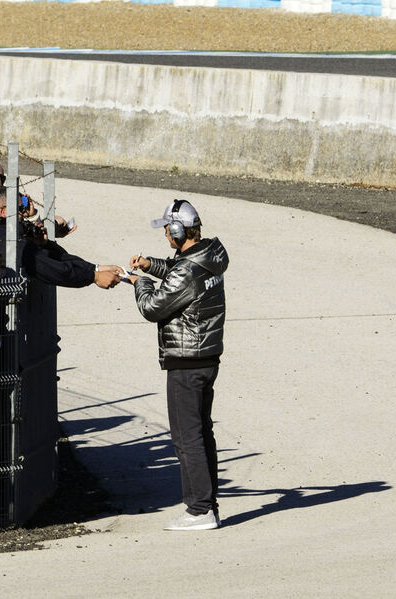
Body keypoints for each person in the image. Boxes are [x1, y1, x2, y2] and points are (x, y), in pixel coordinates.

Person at [126, 199, 229, 531]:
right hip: (206, 357)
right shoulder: (208, 257)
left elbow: (153, 307)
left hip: (186, 360)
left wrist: (138, 282)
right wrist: (151, 265)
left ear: (178, 230)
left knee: (187, 438)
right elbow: (180, 271)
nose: (166, 237)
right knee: (201, 433)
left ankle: (200, 511)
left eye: (168, 231)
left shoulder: (186, 269)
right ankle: (206, 504)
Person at [0, 186, 120, 289]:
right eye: (21, 209)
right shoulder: (4, 238)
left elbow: (57, 258)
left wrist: (94, 268)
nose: (24, 214)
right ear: (3, 212)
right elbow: (52, 268)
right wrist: (93, 276)